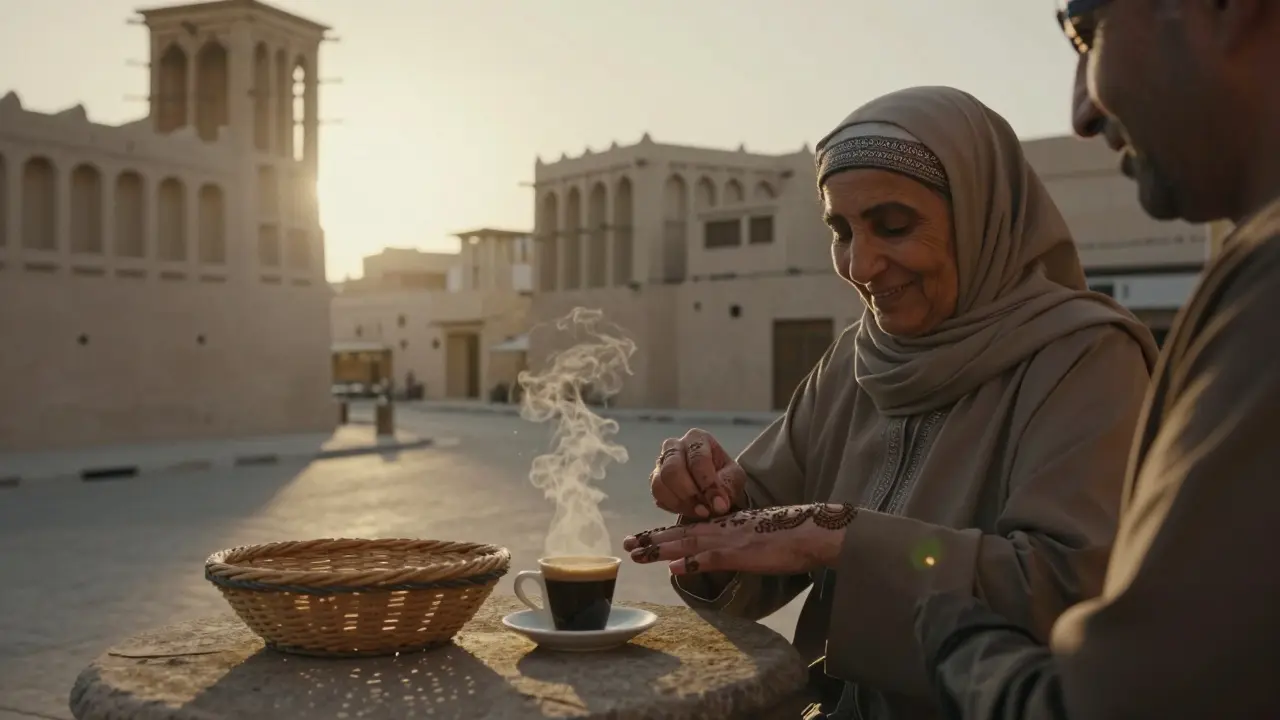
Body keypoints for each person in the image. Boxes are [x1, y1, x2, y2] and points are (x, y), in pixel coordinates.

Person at [621, 85, 1159, 719]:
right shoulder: (856, 360)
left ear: (981, 215)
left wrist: (842, 538)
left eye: (894, 226)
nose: (860, 263)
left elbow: (1072, 586)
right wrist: (712, 506)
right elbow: (768, 529)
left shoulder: (1084, 357)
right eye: (841, 231)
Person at [913, 1, 1280, 718]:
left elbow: (1123, 699)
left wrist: (958, 641)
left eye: (1087, 34)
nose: (1081, 108)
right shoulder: (854, 360)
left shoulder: (1095, 347)